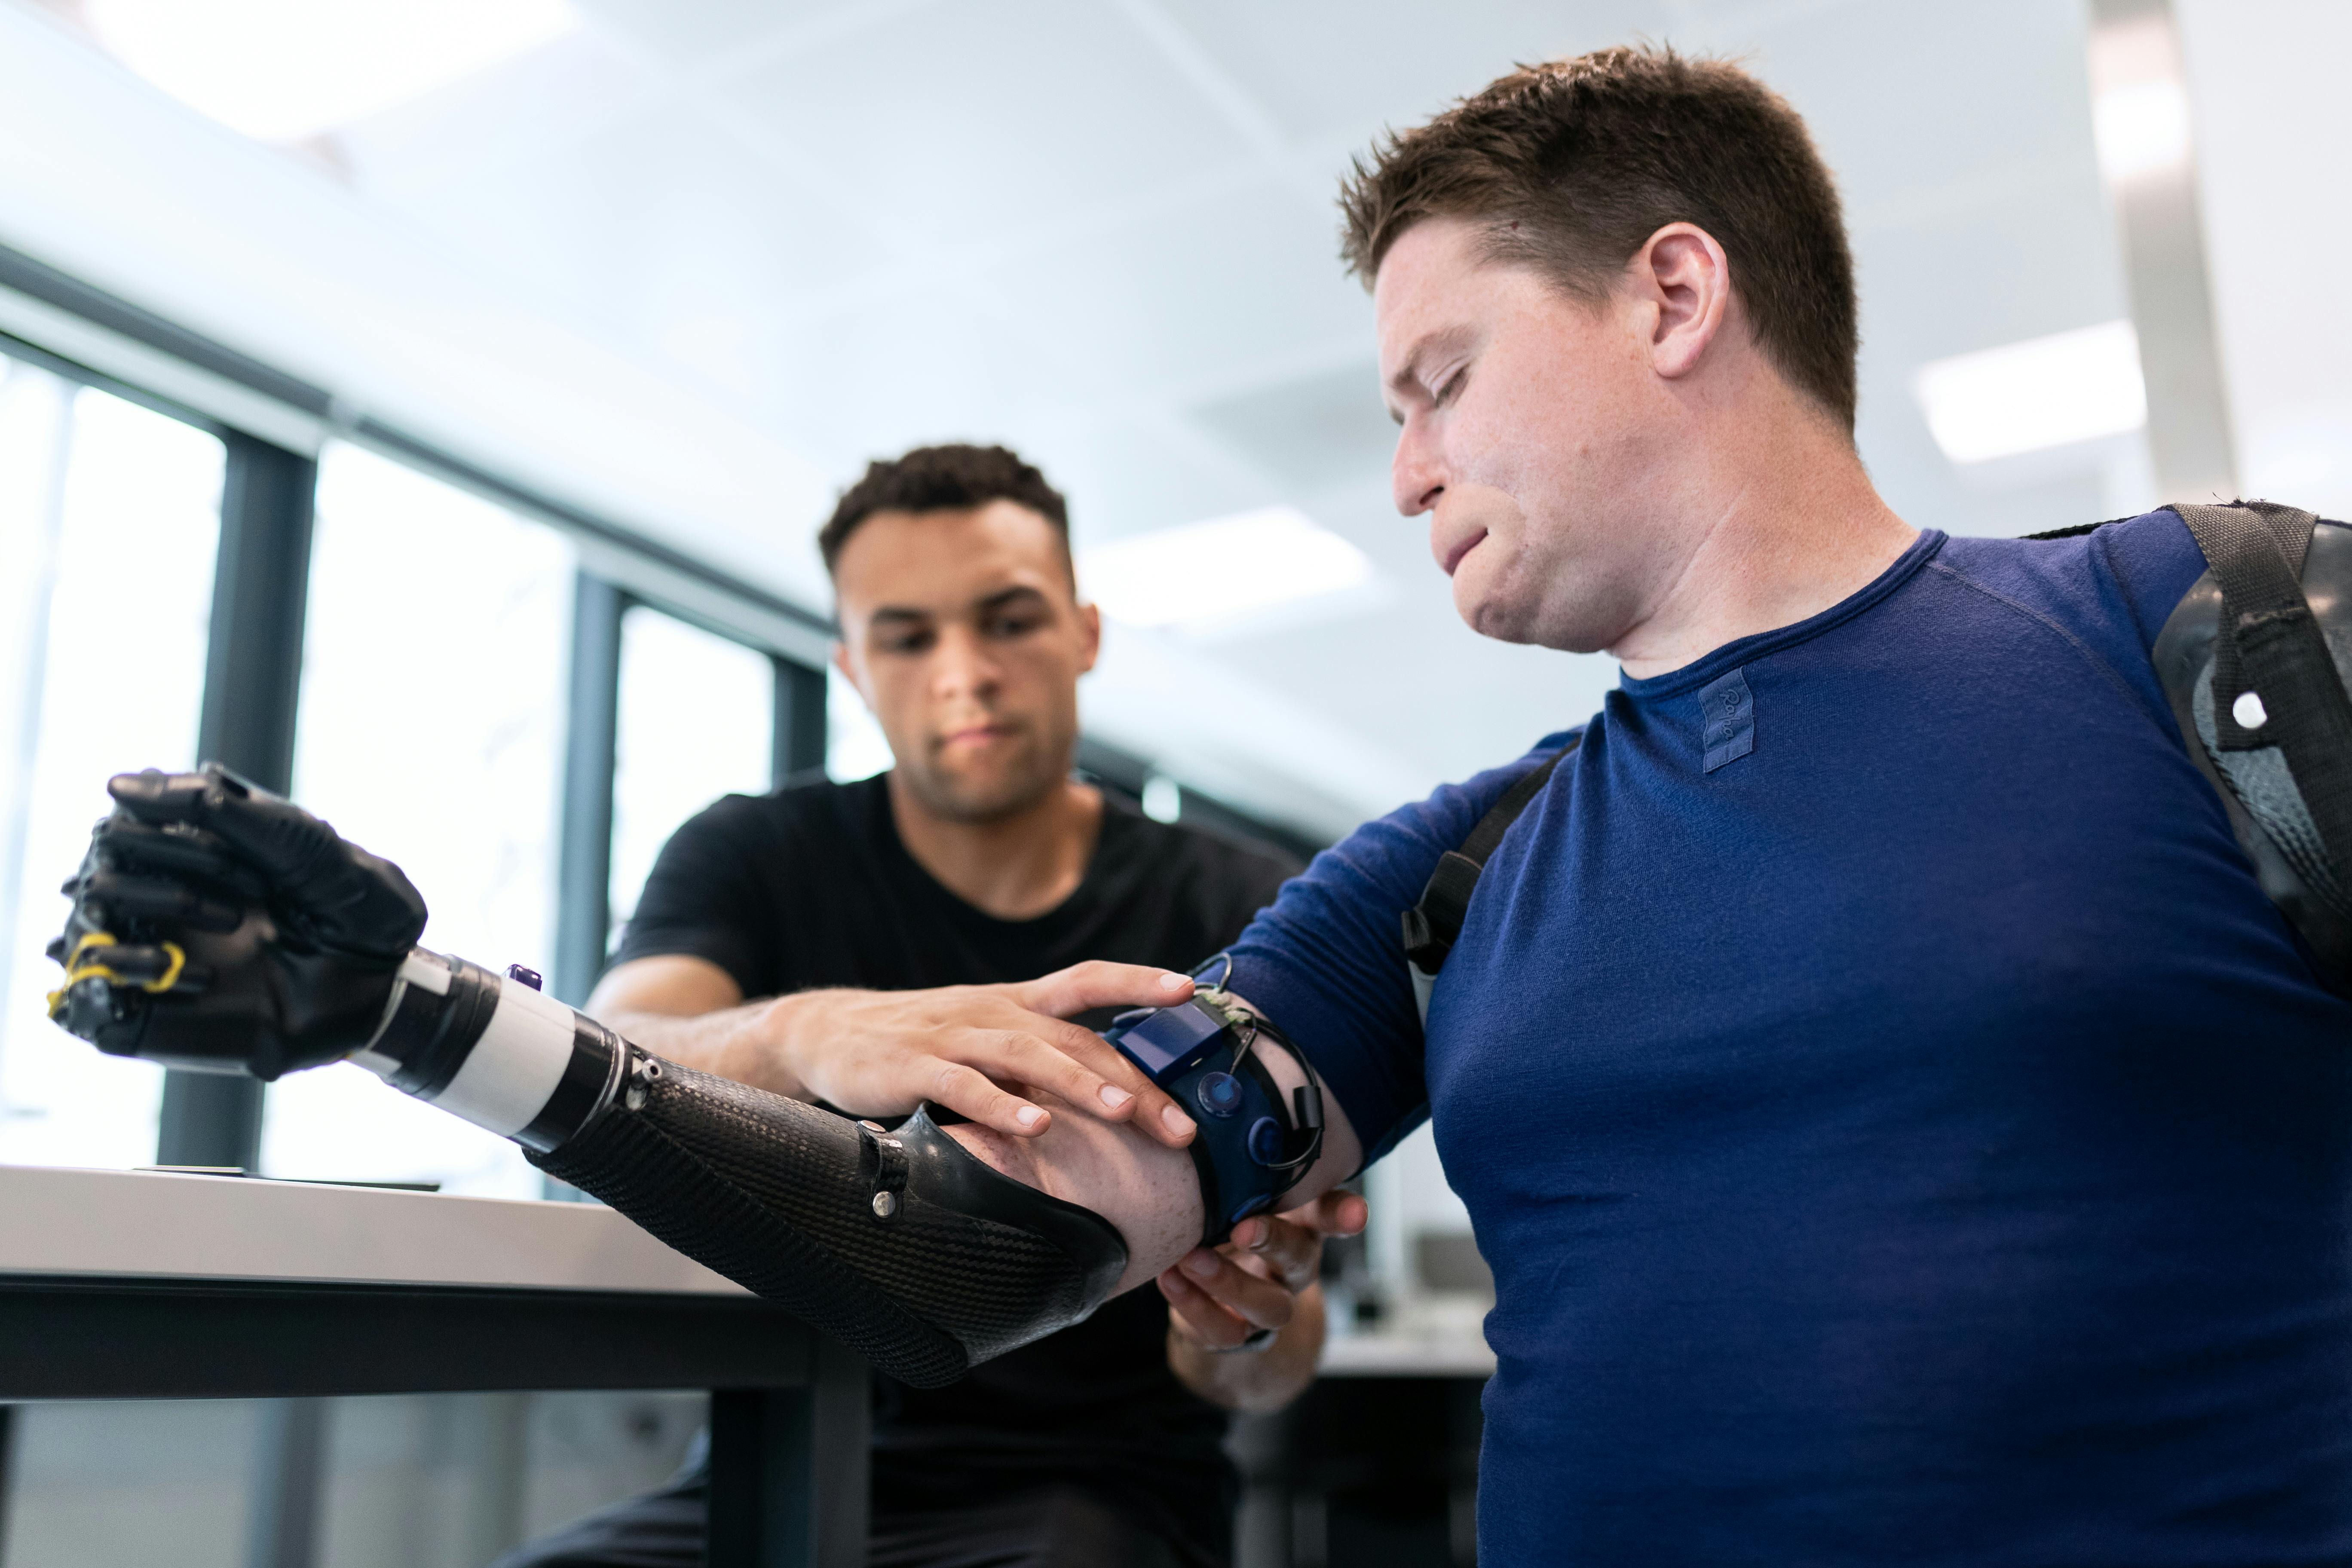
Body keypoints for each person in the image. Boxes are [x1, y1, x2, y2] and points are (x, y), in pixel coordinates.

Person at [53, 43, 2352, 1568]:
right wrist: (420, 1008)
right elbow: (962, 1253)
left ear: (1673, 295)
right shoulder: (1445, 883)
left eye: (1441, 377)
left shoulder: (2219, 634)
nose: (1406, 466)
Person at [502, 444, 1354, 1568]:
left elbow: (1270, 1365)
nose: (964, 672)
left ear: (1084, 635)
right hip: (779, 1461)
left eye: (1008, 620)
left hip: (1097, 1499)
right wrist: (796, 1030)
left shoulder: (1244, 908)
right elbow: (611, 1058)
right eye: (908, 638)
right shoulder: (752, 856)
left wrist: (1241, 1317)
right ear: (854, 668)